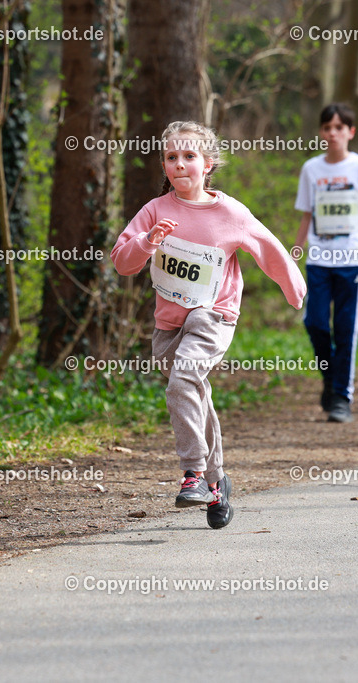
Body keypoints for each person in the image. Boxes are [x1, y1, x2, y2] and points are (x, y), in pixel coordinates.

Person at [111, 121, 306, 529]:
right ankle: (218, 482)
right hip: (169, 323)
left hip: (214, 315)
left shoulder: (229, 212)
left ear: (208, 163)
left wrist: (294, 290)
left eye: (189, 156)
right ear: (163, 165)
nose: (180, 164)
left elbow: (269, 249)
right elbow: (123, 262)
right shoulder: (155, 210)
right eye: (171, 157)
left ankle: (193, 475)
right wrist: (148, 242)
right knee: (195, 392)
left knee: (183, 379)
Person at [294, 103, 358, 423]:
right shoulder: (311, 170)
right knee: (315, 323)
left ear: (351, 132)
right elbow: (307, 216)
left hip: (353, 260)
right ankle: (329, 380)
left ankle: (341, 396)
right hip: (319, 259)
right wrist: (293, 256)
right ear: (321, 132)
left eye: (338, 127)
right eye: (327, 127)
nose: (332, 133)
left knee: (346, 328)